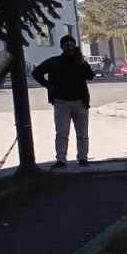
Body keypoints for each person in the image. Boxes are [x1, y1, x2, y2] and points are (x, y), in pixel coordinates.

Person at [32, 35, 95, 168]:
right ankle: (61, 159)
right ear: (61, 47)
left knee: (82, 133)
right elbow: (36, 73)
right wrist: (48, 85)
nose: (70, 48)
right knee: (61, 132)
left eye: (72, 45)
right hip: (61, 102)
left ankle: (83, 158)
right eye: (67, 45)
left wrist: (82, 63)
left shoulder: (79, 62)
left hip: (80, 102)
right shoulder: (53, 62)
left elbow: (90, 76)